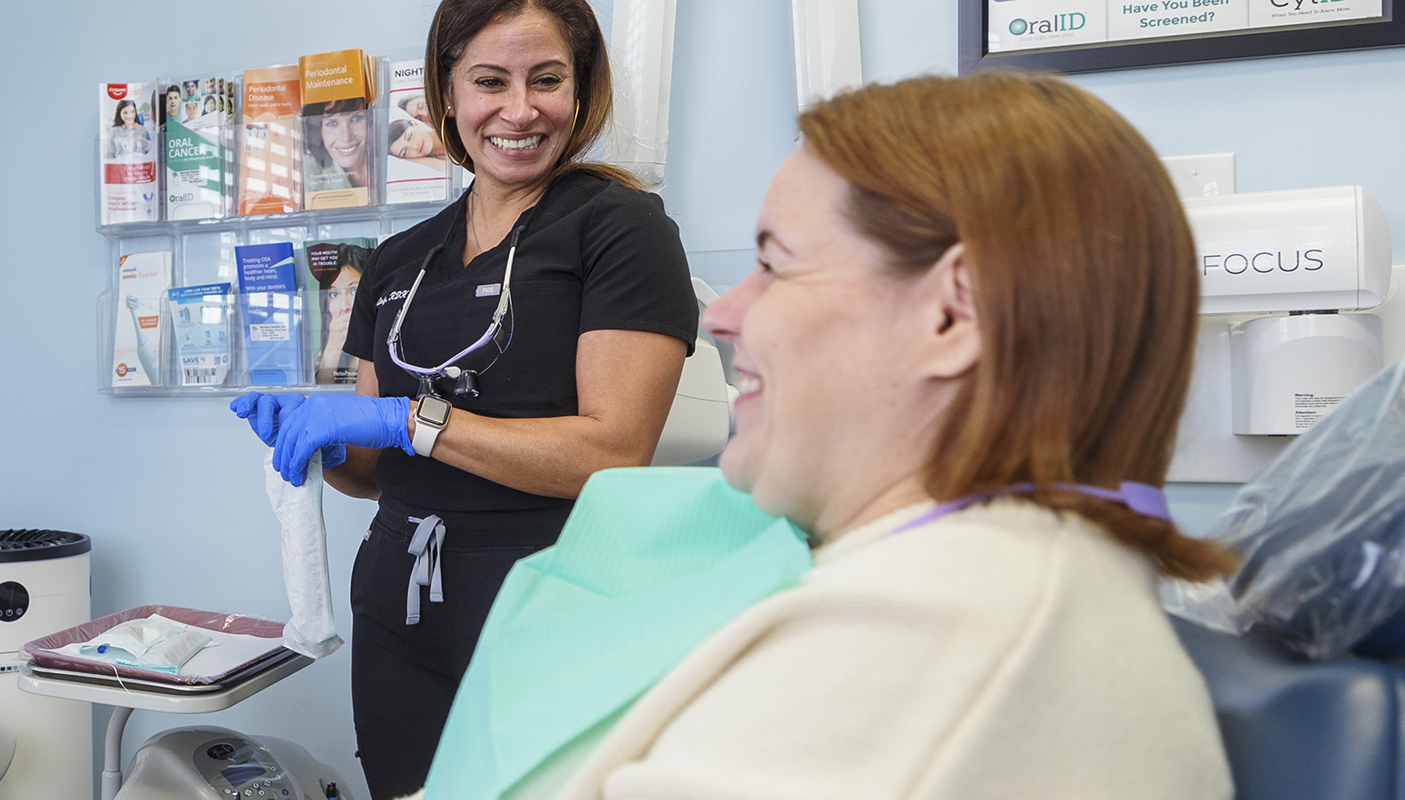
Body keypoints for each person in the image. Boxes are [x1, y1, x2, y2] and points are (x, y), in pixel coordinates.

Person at [504, 72, 1238, 800]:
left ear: (953, 315)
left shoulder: (937, 636)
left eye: (774, 265)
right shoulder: (998, 580)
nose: (721, 316)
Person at [230, 1, 696, 796]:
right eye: (490, 81)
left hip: (548, 605)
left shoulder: (618, 229)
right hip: (398, 612)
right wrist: (327, 440)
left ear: (580, 92)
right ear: (445, 96)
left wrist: (409, 419)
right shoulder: (398, 260)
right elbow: (376, 471)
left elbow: (611, 452)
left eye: (547, 80)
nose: (520, 110)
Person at [305, 97, 377, 192]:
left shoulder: (390, 160)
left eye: (356, 118)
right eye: (332, 123)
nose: (346, 137)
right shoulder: (310, 176)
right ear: (320, 131)